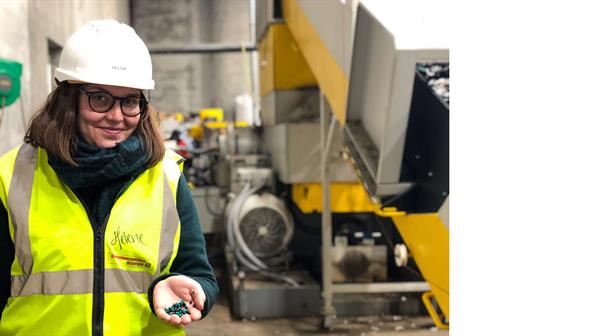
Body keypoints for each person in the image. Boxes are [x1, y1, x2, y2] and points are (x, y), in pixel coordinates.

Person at [0, 20, 218, 335]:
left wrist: (190, 288)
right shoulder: (13, 177)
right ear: (68, 99)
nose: (116, 116)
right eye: (100, 98)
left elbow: (201, 276)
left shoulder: (166, 176)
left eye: (130, 101)